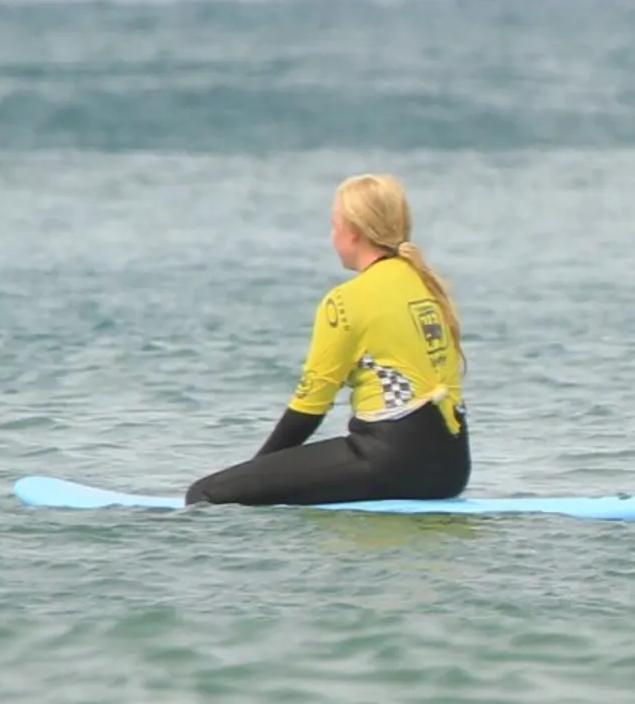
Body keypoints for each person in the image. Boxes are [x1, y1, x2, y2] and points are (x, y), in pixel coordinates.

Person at [190, 174, 472, 505]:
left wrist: (255, 475)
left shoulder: (346, 301)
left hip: (391, 462)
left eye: (333, 224)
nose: (331, 234)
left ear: (352, 233)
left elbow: (309, 407)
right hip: (452, 471)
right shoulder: (429, 285)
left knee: (204, 494)